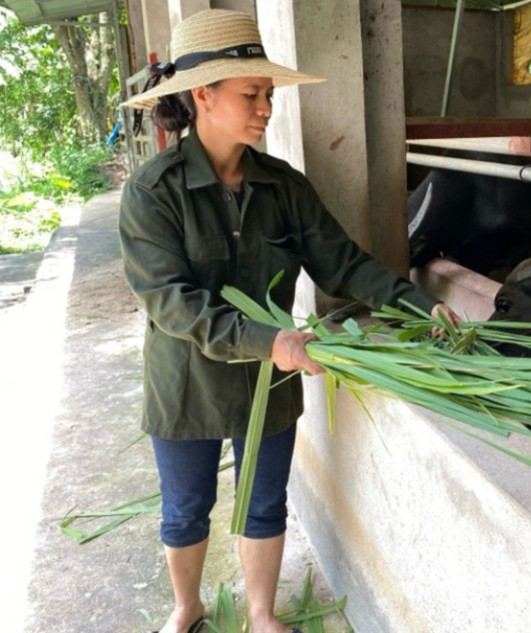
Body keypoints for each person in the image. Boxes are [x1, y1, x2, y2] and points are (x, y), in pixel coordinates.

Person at [119, 9, 459, 633]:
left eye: (268, 94)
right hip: (186, 379)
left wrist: (416, 303)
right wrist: (265, 339)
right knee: (186, 507)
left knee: (264, 501)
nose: (265, 108)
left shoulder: (284, 186)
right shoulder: (153, 191)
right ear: (202, 95)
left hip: (270, 377)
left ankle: (261, 613)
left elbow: (344, 264)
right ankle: (187, 607)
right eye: (251, 94)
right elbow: (168, 300)